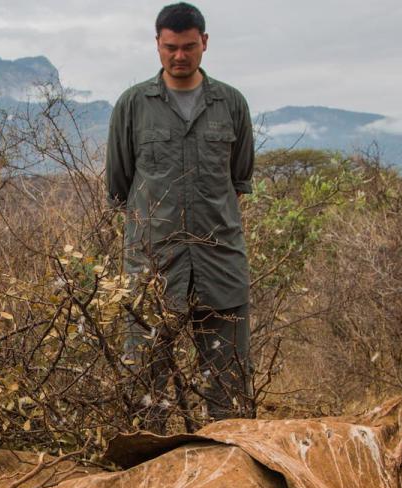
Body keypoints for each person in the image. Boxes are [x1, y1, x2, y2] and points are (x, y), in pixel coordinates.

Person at [107, 2, 255, 427]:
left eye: (189, 46)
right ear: (157, 44)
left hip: (221, 267)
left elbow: (238, 180)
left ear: (204, 43)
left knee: (229, 394)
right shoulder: (132, 106)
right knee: (144, 395)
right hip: (152, 269)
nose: (179, 56)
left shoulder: (232, 104)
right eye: (170, 47)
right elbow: (119, 186)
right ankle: (146, 481)